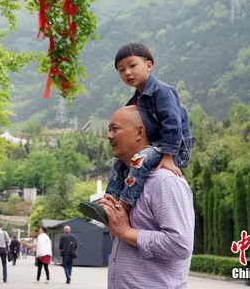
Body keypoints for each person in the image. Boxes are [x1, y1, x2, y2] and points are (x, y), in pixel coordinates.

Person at [81, 43, 194, 224]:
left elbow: (173, 124)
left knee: (139, 160)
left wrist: (168, 157)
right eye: (121, 70)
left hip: (175, 150)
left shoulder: (162, 91)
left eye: (132, 66)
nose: (127, 73)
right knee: (118, 163)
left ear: (149, 65)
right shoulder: (136, 99)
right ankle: (107, 203)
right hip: (155, 147)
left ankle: (123, 206)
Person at [100, 106, 194, 288]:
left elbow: (180, 245)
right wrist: (113, 223)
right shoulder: (124, 181)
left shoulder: (164, 181)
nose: (109, 136)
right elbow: (127, 242)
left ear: (139, 132)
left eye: (115, 129)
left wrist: (126, 232)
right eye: (109, 130)